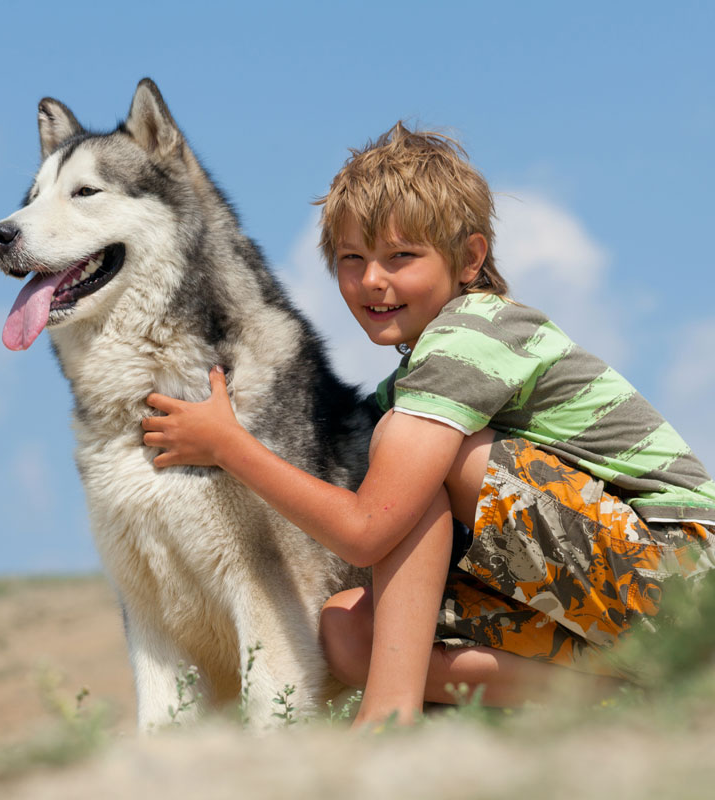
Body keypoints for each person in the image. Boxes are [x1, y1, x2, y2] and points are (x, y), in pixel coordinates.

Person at [141, 123, 715, 728]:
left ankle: (388, 719)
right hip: (623, 603)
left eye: (401, 257)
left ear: (470, 258)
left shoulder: (473, 336)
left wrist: (229, 445)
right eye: (351, 260)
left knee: (417, 453)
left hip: (684, 574)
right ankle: (628, 689)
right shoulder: (419, 376)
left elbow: (365, 533)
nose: (372, 281)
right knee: (350, 631)